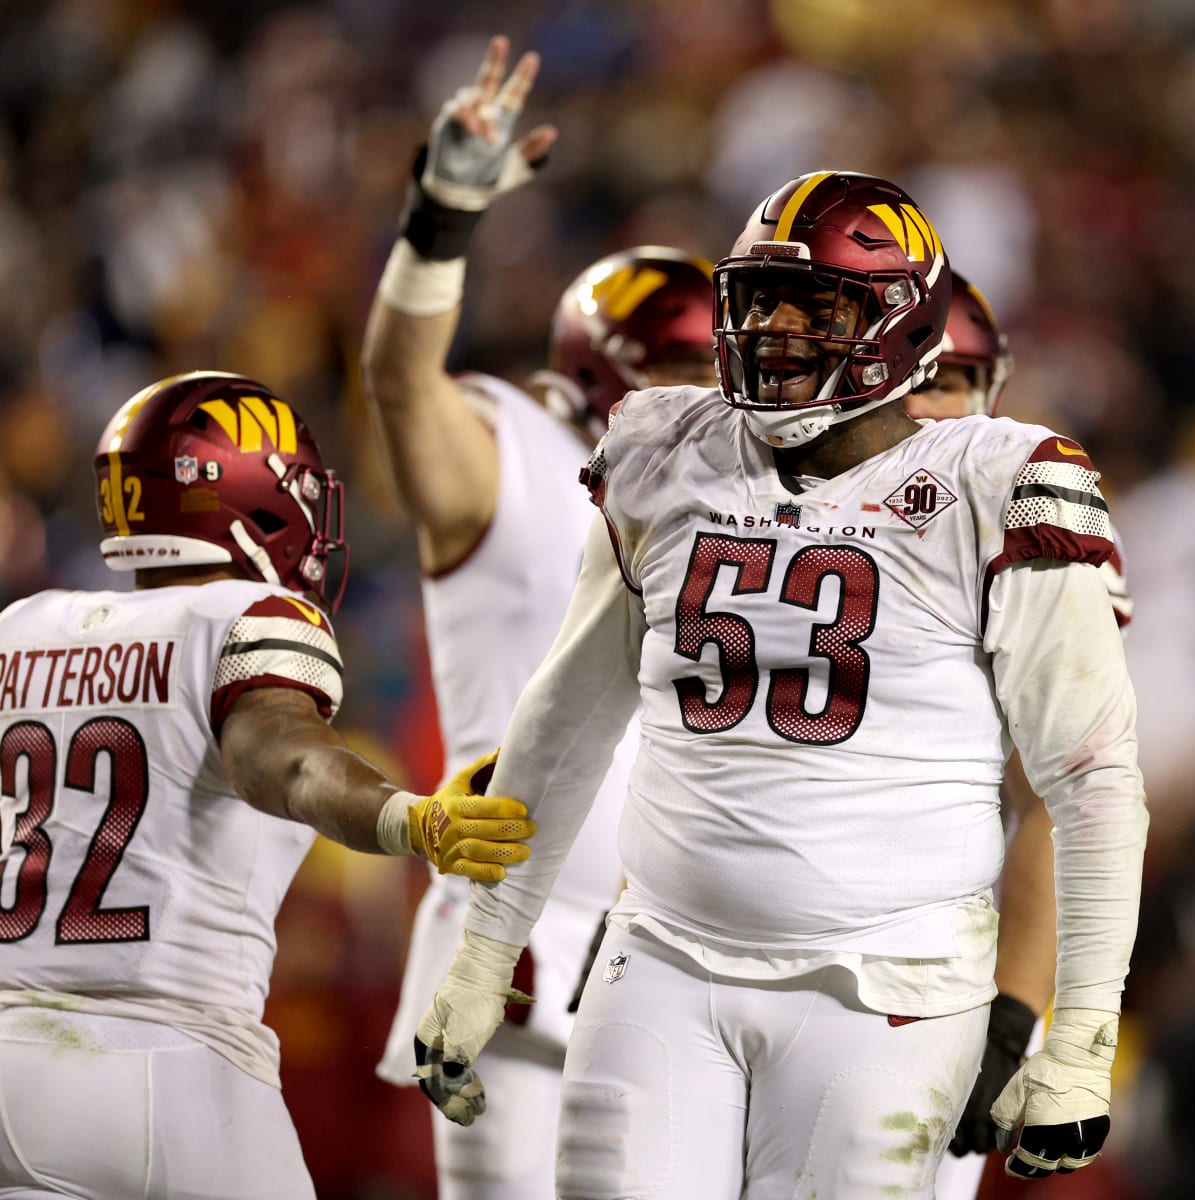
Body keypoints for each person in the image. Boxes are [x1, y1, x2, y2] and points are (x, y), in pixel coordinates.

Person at [408, 153, 1148, 1197]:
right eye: (759, 303)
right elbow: (568, 716)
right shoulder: (664, 446)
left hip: (886, 986)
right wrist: (490, 946)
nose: (773, 335)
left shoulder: (1001, 483)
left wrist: (1077, 1038)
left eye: (814, 309)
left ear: (896, 323)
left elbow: (1092, 782)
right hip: (661, 958)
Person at [0, 371, 530, 1199]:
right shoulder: (246, 619)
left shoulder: (20, 630)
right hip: (171, 1062)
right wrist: (409, 818)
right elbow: (281, 756)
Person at [360, 36, 716, 1199]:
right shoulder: (519, 451)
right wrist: (441, 221)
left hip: (673, 955)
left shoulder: (750, 511)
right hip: (512, 950)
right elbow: (403, 385)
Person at [909, 272, 1133, 1200]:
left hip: (926, 963)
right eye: (914, 373)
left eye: (952, 378)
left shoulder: (1020, 514)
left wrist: (1013, 1007)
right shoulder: (767, 508)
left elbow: (1060, 795)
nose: (926, 402)